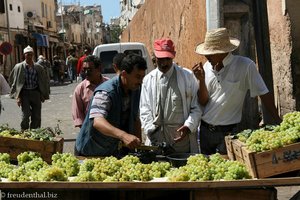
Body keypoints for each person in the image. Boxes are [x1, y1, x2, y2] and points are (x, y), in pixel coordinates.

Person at [193, 27, 282, 155]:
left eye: (210, 53)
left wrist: (277, 120)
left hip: (228, 133)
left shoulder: (245, 66)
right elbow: (203, 101)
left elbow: (263, 93)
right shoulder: (206, 67)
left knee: (225, 170)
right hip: (205, 132)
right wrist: (201, 80)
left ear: (222, 51)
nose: (206, 56)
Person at [75, 54, 147, 156]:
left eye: (142, 77)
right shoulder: (105, 92)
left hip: (113, 151)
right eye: (137, 77)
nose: (140, 82)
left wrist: (139, 147)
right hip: (91, 151)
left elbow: (135, 118)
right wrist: (123, 135)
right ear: (124, 74)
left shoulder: (135, 89)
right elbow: (98, 121)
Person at [139, 38, 202, 154]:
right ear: (155, 57)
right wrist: (150, 130)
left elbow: (196, 107)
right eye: (160, 59)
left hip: (180, 140)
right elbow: (144, 109)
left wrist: (189, 126)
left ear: (174, 56)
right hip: (156, 141)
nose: (164, 63)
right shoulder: (148, 80)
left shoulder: (187, 77)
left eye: (168, 59)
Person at [9, 45, 49, 130]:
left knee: (37, 116)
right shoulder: (18, 67)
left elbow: (44, 81)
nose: (29, 56)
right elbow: (13, 80)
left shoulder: (39, 68)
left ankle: (34, 132)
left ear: (33, 55)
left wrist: (43, 94)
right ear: (24, 55)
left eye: (31, 54)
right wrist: (18, 96)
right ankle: (24, 132)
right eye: (27, 54)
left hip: (36, 93)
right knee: (25, 115)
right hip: (24, 94)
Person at [72, 55, 109, 128]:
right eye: (84, 70)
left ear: (99, 69)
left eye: (89, 70)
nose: (86, 72)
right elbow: (78, 116)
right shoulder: (80, 89)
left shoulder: (109, 85)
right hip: (89, 130)